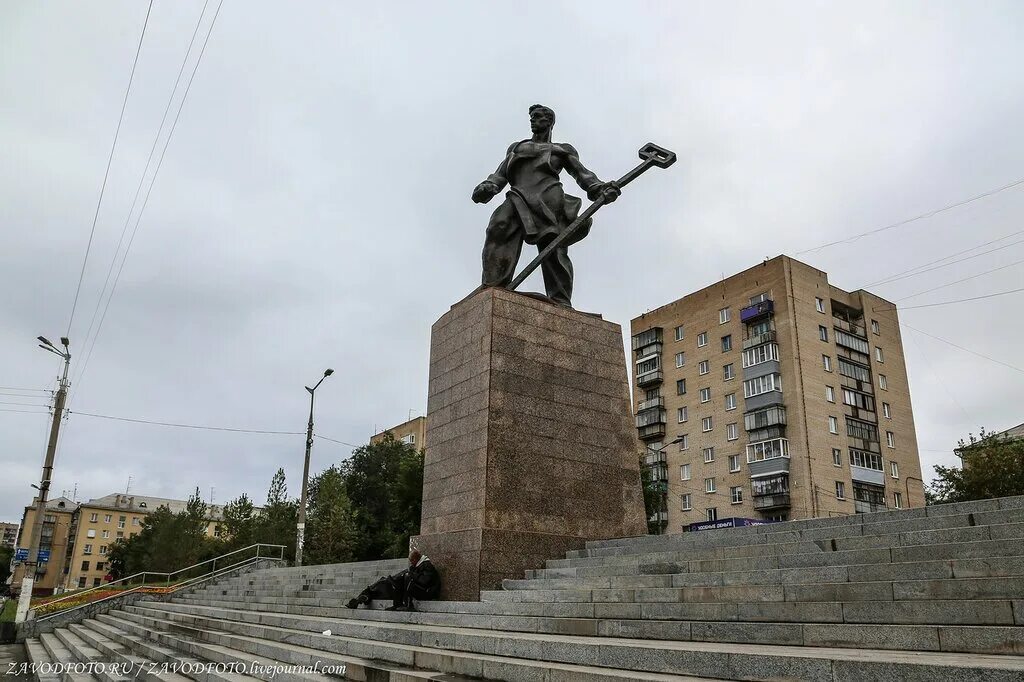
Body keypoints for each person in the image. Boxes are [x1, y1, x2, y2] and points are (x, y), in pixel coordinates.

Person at [472, 104, 621, 308]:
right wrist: (489, 186)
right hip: (518, 195)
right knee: (498, 225)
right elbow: (500, 174)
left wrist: (599, 188)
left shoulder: (561, 149)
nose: (533, 120)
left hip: (549, 198)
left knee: (553, 247)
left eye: (538, 117)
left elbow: (583, 174)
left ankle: (560, 299)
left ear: (549, 121)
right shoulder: (517, 147)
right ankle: (493, 285)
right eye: (531, 117)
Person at [346, 548, 440, 612]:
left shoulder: (427, 566)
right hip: (414, 588)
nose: (411, 563)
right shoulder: (417, 566)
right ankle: (363, 596)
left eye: (412, 561)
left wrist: (411, 574)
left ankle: (407, 605)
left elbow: (425, 581)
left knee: (406, 577)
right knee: (386, 581)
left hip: (427, 592)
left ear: (416, 559)